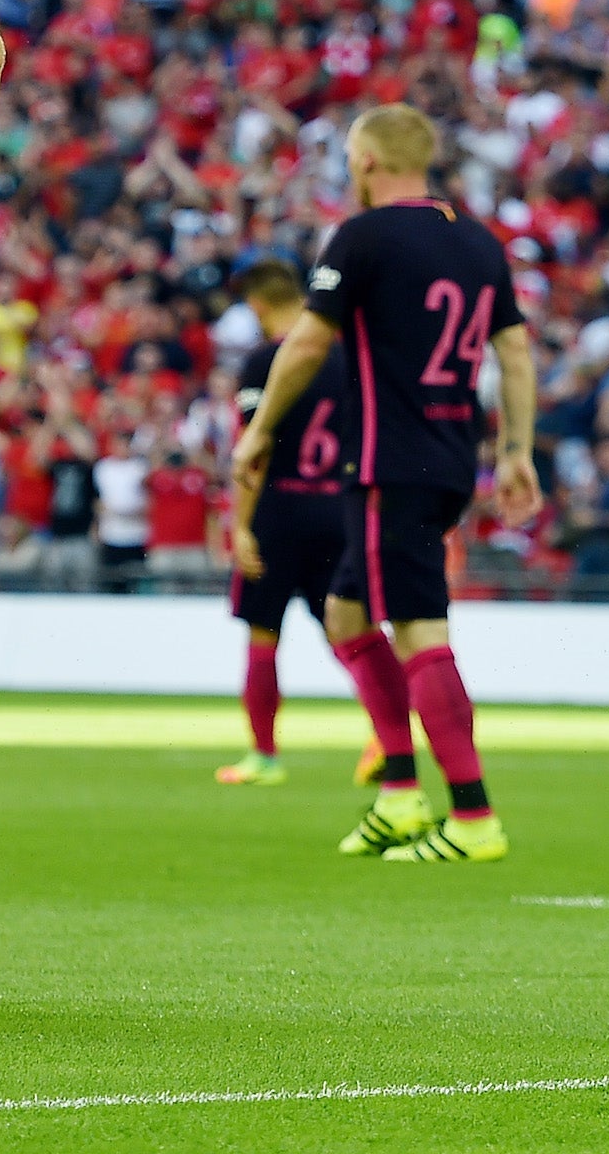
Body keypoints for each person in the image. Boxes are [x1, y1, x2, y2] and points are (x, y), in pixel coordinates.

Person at [232, 104, 540, 863]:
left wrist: (260, 429)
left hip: (389, 464)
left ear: (366, 160)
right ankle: (400, 792)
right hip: (449, 456)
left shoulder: (364, 234)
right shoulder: (477, 240)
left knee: (418, 629)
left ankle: (471, 816)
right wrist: (518, 451)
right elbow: (518, 353)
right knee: (345, 612)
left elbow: (305, 342)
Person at [218, 258, 349, 787]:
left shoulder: (265, 361)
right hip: (339, 512)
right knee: (351, 634)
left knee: (263, 635)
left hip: (278, 513)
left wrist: (242, 526)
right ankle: (390, 740)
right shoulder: (348, 360)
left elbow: (256, 450)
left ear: (257, 304)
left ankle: (264, 755)